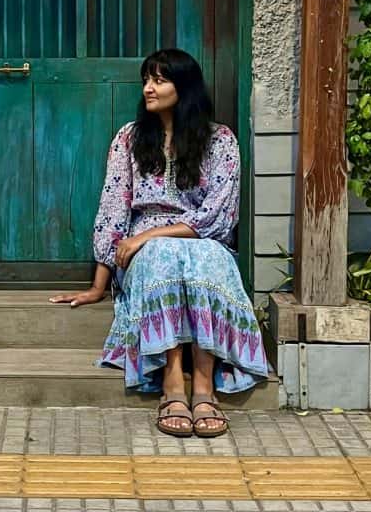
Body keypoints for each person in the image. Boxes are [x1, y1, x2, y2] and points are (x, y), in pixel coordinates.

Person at [50, 48, 268, 438]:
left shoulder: (220, 141)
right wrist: (99, 285)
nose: (148, 88)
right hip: (145, 249)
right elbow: (113, 209)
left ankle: (205, 386)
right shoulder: (129, 139)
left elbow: (217, 215)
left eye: (159, 80)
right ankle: (172, 382)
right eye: (146, 80)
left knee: (208, 262)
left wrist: (148, 235)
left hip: (201, 239)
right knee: (162, 257)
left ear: (184, 87)